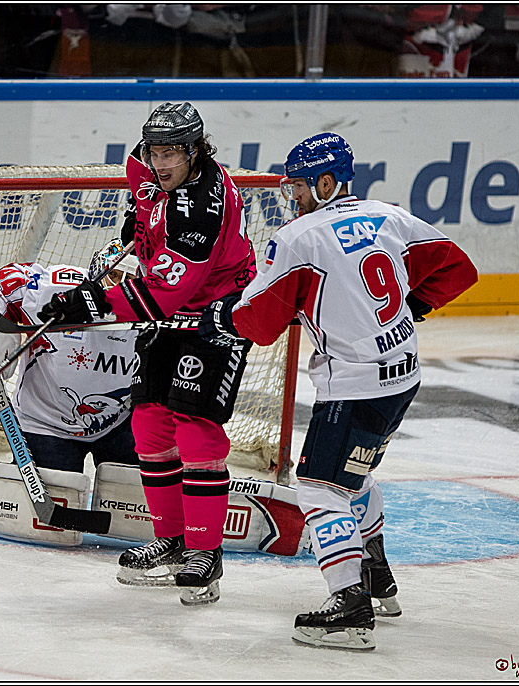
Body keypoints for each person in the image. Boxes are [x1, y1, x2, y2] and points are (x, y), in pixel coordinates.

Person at [199, 132, 478, 648]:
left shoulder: (300, 238)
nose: (294, 197)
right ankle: (376, 574)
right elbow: (461, 268)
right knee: (354, 472)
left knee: (319, 488)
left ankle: (349, 602)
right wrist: (415, 308)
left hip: (355, 383)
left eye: (301, 186)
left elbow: (258, 323)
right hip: (405, 374)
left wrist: (219, 315)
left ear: (327, 183)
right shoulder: (390, 216)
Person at [40, 102, 257, 605]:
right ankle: (171, 540)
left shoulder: (206, 202)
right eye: (155, 150)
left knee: (196, 429)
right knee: (149, 425)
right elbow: (140, 211)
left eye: (171, 154)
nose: (159, 163)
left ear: (196, 150)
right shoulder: (144, 166)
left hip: (215, 314)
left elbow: (164, 295)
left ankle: (205, 551)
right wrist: (129, 241)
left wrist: (87, 303)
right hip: (171, 311)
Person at [0, 238, 141, 473]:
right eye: (113, 275)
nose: (118, 287)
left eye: (131, 281)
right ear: (96, 269)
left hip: (118, 424)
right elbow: (3, 283)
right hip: (44, 424)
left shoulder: (155, 311)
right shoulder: (59, 290)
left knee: (135, 501)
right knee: (58, 497)